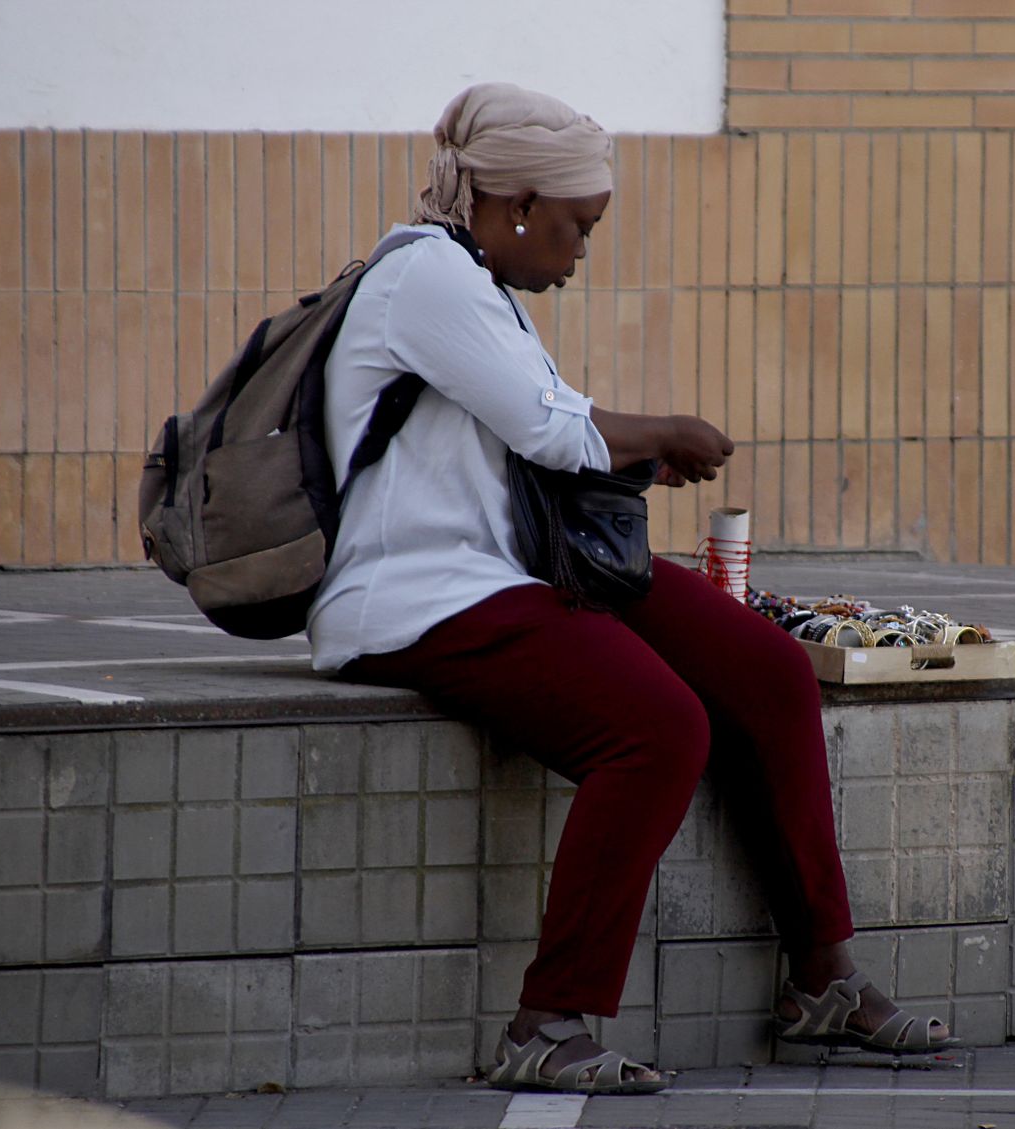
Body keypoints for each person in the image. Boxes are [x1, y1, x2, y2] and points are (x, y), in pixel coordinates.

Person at [311, 82, 956, 1096]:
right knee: (656, 724)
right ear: (516, 200)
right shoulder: (423, 277)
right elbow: (550, 428)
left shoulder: (481, 287)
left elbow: (551, 427)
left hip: (512, 564)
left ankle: (822, 978)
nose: (580, 250)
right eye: (576, 226)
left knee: (767, 671)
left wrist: (632, 447)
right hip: (415, 597)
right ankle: (547, 1023)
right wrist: (666, 433)